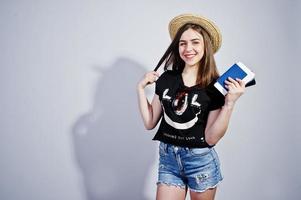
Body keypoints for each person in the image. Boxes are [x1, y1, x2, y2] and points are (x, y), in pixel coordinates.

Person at [136, 13, 245, 200]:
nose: (188, 48)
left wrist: (230, 103)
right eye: (182, 43)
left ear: (205, 47)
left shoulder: (215, 87)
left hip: (200, 162)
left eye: (195, 42)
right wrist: (139, 88)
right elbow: (149, 122)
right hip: (168, 160)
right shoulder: (166, 79)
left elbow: (211, 138)